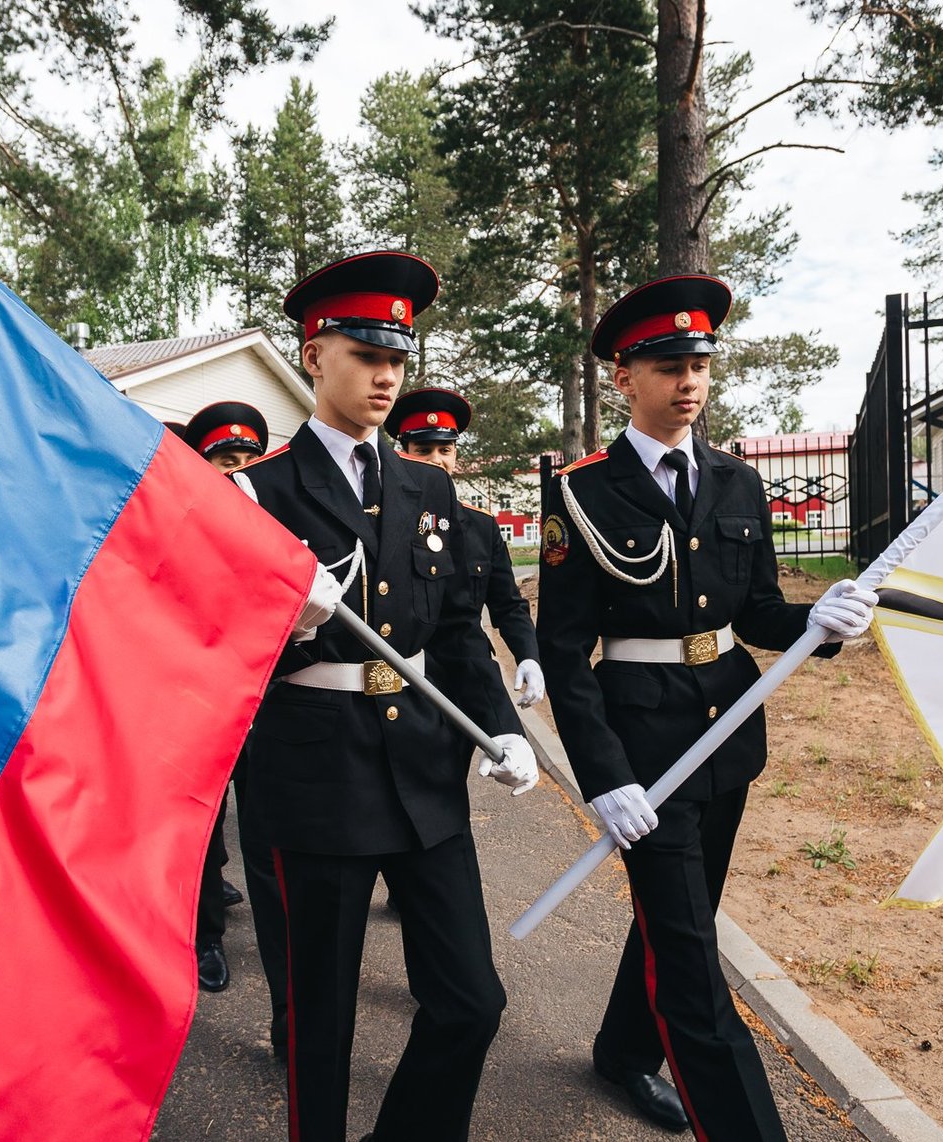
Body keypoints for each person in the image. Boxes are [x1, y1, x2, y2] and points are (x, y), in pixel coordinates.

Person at [536, 274, 877, 1140]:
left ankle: (621, 1052)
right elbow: (564, 655)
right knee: (690, 960)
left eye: (699, 363)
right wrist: (601, 777)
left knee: (679, 917)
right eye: (666, 363)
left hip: (726, 734)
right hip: (643, 750)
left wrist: (821, 622)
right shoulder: (582, 493)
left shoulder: (735, 483)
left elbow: (758, 613)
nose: (688, 379)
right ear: (625, 378)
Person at [236, 251, 539, 1142]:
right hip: (318, 770)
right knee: (319, 1022)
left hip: (423, 772)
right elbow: (209, 651)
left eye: (397, 359)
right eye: (366, 354)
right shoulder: (261, 492)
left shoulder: (427, 486)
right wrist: (284, 621)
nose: (384, 376)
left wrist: (501, 727)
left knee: (471, 1000)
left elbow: (452, 634)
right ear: (314, 353)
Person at [178, 402, 272, 992]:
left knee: (266, 821)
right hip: (201, 701)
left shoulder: (279, 528)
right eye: (224, 460)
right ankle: (205, 934)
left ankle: (280, 932)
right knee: (204, 821)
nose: (237, 472)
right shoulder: (183, 526)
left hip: (268, 700)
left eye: (248, 460)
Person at [389, 387, 544, 709]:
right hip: (405, 680)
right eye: (423, 450)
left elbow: (508, 604)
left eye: (445, 450)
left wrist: (528, 655)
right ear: (402, 453)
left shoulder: (482, 526)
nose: (437, 460)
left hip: (468, 677)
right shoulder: (386, 522)